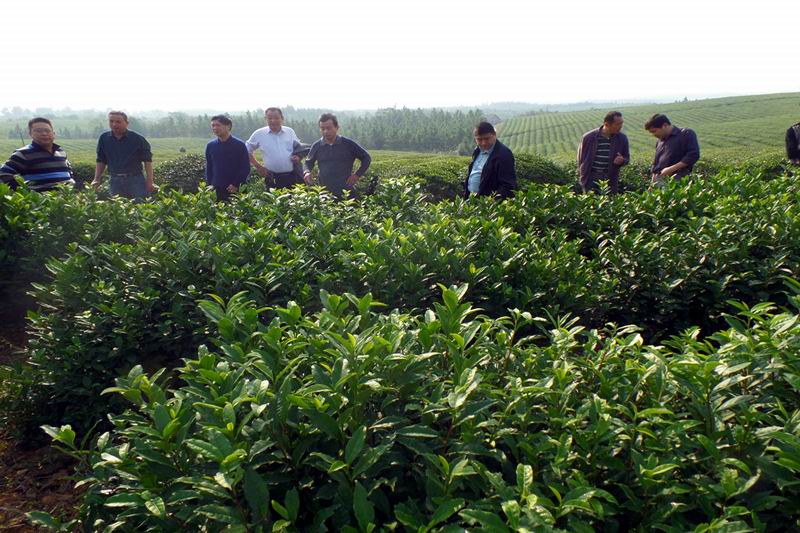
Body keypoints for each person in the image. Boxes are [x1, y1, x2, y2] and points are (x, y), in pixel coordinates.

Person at [303, 113, 371, 198]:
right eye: (322, 129)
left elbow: (366, 158)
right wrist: (307, 172)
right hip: (325, 193)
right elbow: (308, 162)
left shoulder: (348, 144)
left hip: (346, 192)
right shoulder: (317, 146)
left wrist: (357, 175)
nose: (325, 131)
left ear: (337, 127)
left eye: (329, 128)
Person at [0, 117, 75, 192]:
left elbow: (69, 171)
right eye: (38, 131)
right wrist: (21, 190)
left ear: (53, 134)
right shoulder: (23, 154)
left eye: (47, 130)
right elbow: (3, 174)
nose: (44, 134)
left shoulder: (61, 152)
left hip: (67, 197)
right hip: (43, 199)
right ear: (30, 134)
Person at [92, 111, 154, 199]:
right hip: (115, 181)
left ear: (126, 123)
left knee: (140, 205)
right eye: (111, 121)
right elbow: (101, 160)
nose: (114, 124)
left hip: (136, 180)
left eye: (118, 122)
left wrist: (149, 180)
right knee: (118, 206)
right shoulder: (104, 138)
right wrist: (96, 179)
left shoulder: (138, 139)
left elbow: (147, 161)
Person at [246, 107, 304, 189]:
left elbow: (298, 148)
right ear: (265, 119)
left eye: (276, 118)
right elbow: (246, 150)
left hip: (293, 176)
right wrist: (258, 167)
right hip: (272, 177)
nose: (273, 121)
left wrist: (298, 156)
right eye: (270, 118)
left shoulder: (289, 131)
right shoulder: (259, 134)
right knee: (273, 197)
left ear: (282, 118)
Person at [577, 111, 629, 194]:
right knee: (590, 201)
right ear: (607, 124)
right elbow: (581, 159)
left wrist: (622, 160)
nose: (620, 126)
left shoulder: (622, 138)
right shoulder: (588, 137)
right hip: (591, 178)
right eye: (617, 124)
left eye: (621, 123)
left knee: (609, 201)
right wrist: (582, 176)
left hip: (610, 178)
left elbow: (627, 158)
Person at [463, 121, 517, 200]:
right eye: (479, 139)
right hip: (471, 201)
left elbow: (508, 185)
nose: (483, 143)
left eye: (487, 138)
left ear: (494, 135)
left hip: (486, 204)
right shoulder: (478, 150)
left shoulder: (504, 154)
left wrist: (491, 203)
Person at [645, 114, 700, 186]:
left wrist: (671, 169)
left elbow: (693, 155)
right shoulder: (659, 141)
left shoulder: (685, 134)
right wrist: (653, 184)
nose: (653, 134)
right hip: (660, 180)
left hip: (679, 178)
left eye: (654, 131)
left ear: (665, 125)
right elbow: (656, 163)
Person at [205, 115, 251, 201]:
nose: (215, 128)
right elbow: (209, 167)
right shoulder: (210, 146)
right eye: (213, 125)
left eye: (218, 125)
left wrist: (236, 184)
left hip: (235, 190)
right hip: (216, 190)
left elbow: (245, 167)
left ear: (228, 126)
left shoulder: (239, 145)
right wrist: (209, 184)